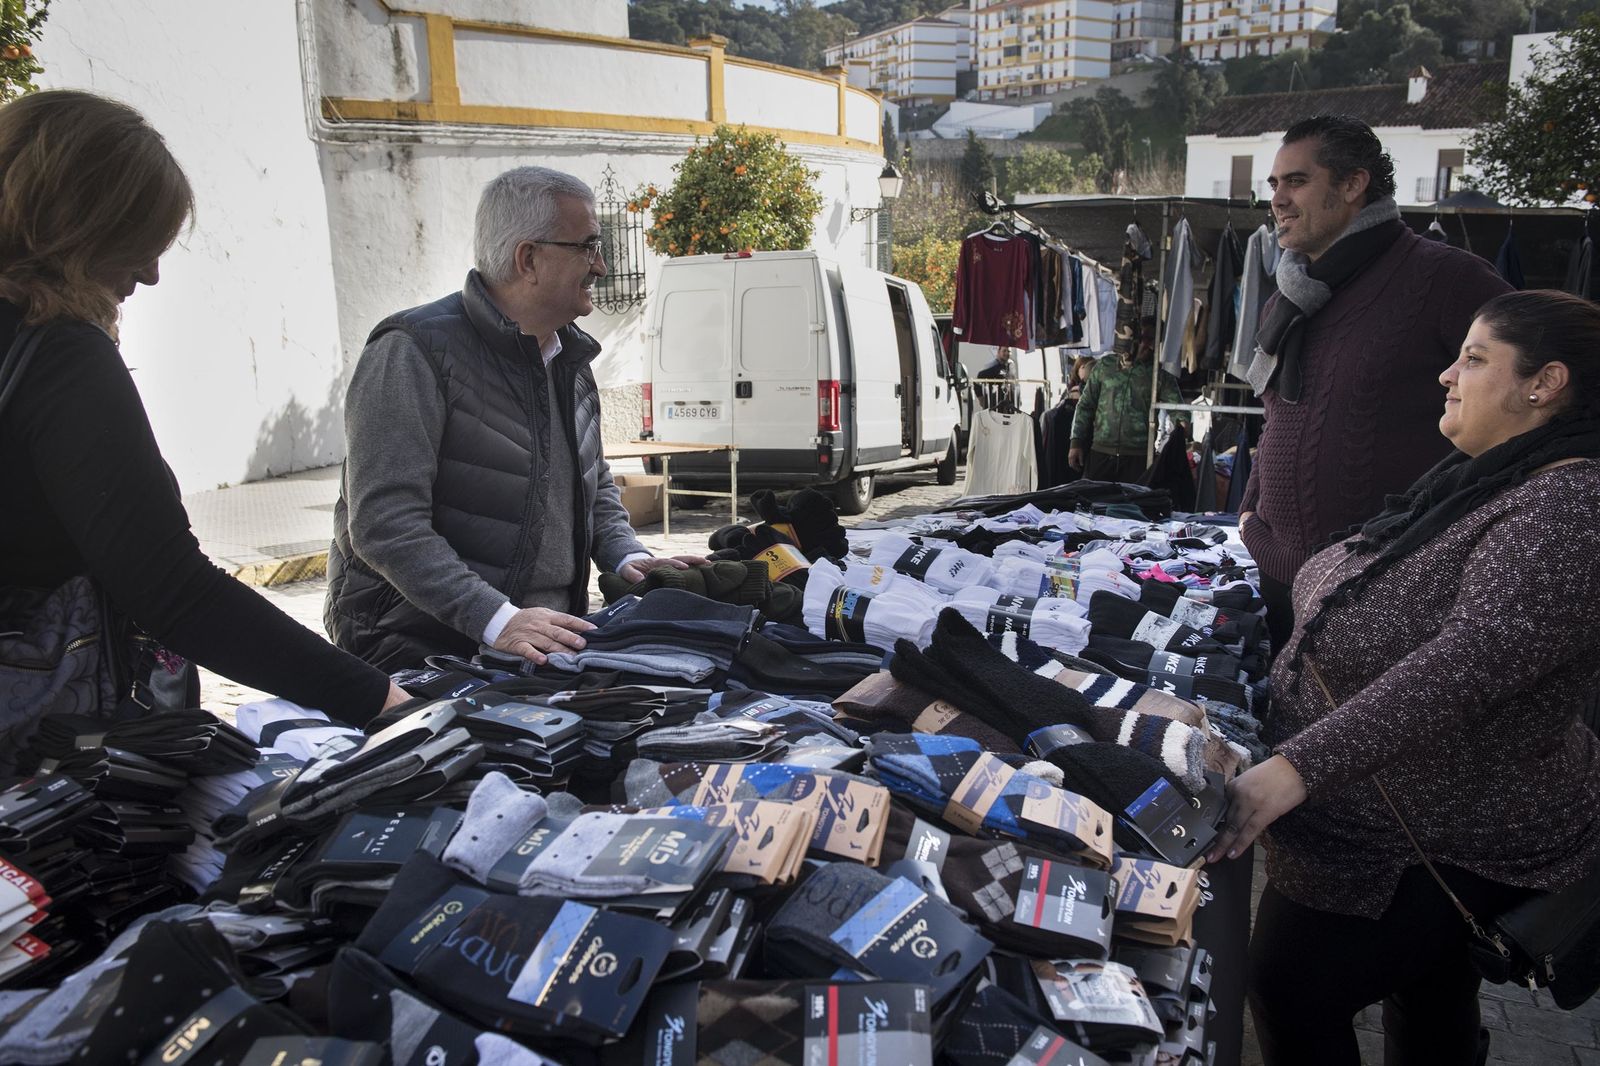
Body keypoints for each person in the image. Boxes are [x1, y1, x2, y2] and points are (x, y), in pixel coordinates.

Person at [1210, 290, 1600, 1065]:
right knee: (1429, 990)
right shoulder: (1490, 479)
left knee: (1292, 988)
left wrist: (1298, 766)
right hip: (1394, 820)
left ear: (1544, 383)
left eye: (1475, 358)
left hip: (1425, 841)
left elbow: (1472, 662)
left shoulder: (1571, 503)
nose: (1448, 376)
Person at [0, 90, 408, 761]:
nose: (151, 274)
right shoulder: (58, 351)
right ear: (79, 226)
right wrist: (378, 700)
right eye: (139, 241)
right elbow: (170, 588)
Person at [326, 166, 701, 672]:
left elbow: (591, 482)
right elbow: (383, 524)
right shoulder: (412, 351)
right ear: (528, 259)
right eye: (588, 246)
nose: (602, 266)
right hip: (418, 648)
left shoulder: (568, 355)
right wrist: (496, 618)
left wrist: (627, 557)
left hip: (535, 645)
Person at [1236, 114, 1510, 654]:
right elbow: (1279, 418)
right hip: (1281, 578)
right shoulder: (1286, 298)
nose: (1278, 199)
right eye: (1273, 184)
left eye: (1296, 181)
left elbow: (1528, 409)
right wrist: (1249, 515)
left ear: (1353, 183)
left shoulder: (1447, 278)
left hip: (1384, 591)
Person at [1068, 335, 1187, 483]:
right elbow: (1085, 406)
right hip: (1101, 453)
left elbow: (1178, 410)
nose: (1149, 346)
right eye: (1146, 339)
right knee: (1095, 503)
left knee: (1134, 504)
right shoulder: (1105, 367)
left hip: (1139, 458)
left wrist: (1181, 429)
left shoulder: (1159, 374)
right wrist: (1076, 442)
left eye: (1153, 341)